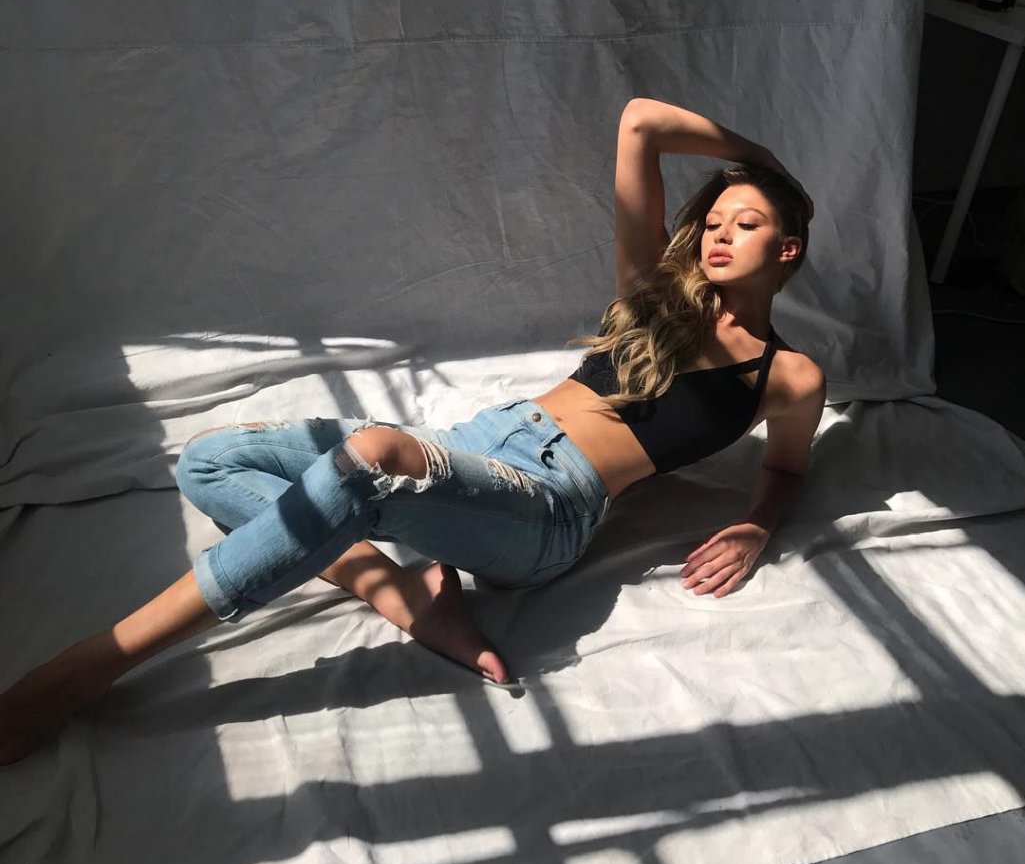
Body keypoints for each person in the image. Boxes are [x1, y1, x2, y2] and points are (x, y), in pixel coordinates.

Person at [0, 97, 824, 764]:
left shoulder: (787, 376)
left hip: (548, 508)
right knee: (210, 460)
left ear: (787, 250)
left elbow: (785, 470)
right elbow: (640, 120)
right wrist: (760, 161)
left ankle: (90, 667)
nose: (717, 233)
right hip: (479, 439)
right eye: (713, 220)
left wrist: (755, 524)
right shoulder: (654, 299)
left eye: (744, 222)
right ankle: (395, 593)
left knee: (373, 459)